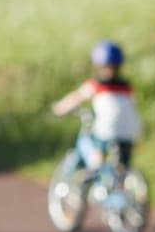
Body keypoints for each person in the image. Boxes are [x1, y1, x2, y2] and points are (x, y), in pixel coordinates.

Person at [51, 40, 141, 170]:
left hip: (107, 130)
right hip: (130, 132)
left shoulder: (97, 85)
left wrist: (59, 108)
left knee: (95, 151)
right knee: (122, 166)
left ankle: (96, 170)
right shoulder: (127, 87)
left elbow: (76, 98)